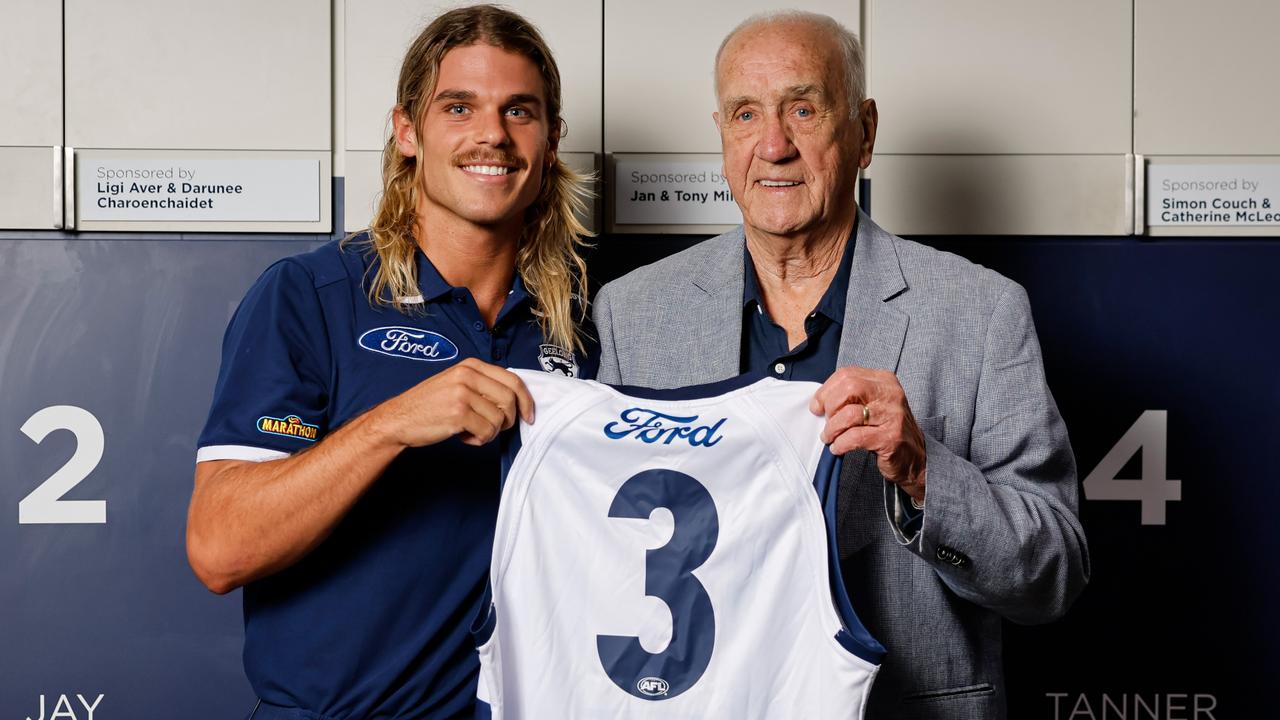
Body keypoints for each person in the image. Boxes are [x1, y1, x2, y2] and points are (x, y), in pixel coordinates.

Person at [591, 11, 1088, 719]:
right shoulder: (634, 314)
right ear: (723, 136)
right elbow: (606, 555)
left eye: (803, 107)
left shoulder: (982, 312)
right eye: (745, 114)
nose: (774, 144)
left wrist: (924, 474)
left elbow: (1054, 574)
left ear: (864, 132)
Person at [185, 6, 595, 718]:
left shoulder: (585, 326)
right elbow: (219, 548)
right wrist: (391, 425)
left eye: (519, 111)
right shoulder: (314, 295)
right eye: (459, 107)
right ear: (408, 131)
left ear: (551, 140)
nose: (492, 134)